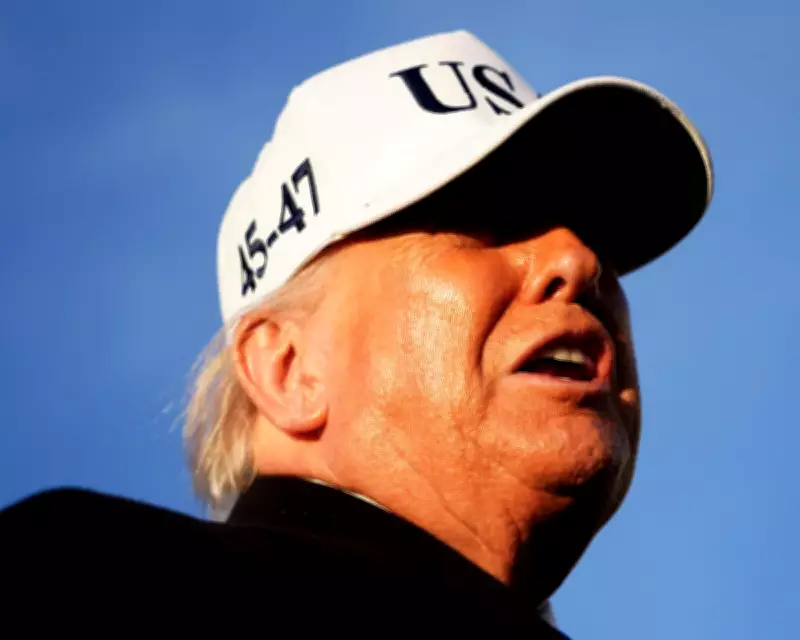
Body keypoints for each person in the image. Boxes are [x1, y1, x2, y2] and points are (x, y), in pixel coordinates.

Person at [0, 30, 712, 636]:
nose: (579, 261)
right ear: (289, 367)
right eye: (485, 222)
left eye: (589, 234)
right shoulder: (84, 580)